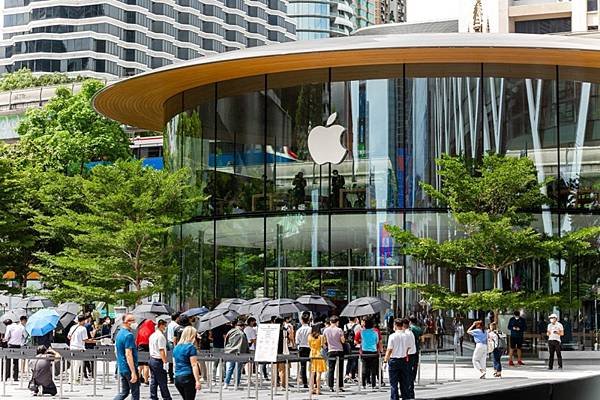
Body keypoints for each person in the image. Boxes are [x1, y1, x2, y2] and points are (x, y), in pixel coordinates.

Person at [384, 318, 412, 400]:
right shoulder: (406, 336)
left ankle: (394, 398)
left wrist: (385, 360)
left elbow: (389, 349)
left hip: (394, 360)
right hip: (403, 360)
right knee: (404, 382)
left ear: (395, 325)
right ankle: (406, 397)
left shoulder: (392, 336)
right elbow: (408, 347)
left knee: (394, 383)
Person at [114, 314, 140, 400]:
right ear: (127, 322)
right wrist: (133, 371)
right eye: (132, 320)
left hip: (122, 366)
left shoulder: (119, 334)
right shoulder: (129, 335)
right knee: (135, 393)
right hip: (129, 367)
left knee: (124, 392)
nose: (135, 322)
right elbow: (128, 354)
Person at [173, 326, 202, 400]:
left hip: (178, 377)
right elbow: (194, 365)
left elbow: (174, 363)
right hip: (188, 376)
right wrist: (197, 381)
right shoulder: (191, 347)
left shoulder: (176, 347)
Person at [149, 319, 171, 400]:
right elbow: (161, 350)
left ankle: (153, 396)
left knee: (154, 380)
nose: (165, 327)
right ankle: (167, 397)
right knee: (162, 381)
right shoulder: (160, 336)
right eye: (165, 325)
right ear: (161, 325)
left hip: (152, 359)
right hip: (158, 360)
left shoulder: (152, 335)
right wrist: (165, 362)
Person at [69, 315, 95, 384]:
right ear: (83, 320)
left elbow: (68, 336)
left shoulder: (73, 327)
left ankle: (70, 379)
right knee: (77, 364)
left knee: (73, 364)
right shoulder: (83, 329)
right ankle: (75, 379)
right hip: (79, 348)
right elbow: (85, 340)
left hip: (72, 347)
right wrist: (93, 341)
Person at [223, 319, 249, 388]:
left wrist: (226, 349)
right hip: (239, 353)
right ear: (242, 326)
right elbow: (245, 345)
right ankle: (236, 384)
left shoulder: (230, 331)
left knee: (229, 368)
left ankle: (226, 383)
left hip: (229, 352)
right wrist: (246, 353)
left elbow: (226, 342)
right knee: (238, 369)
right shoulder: (242, 334)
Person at [323, 315, 345, 392]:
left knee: (331, 369)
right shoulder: (339, 330)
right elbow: (343, 341)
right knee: (340, 369)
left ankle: (331, 386)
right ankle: (340, 386)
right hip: (339, 350)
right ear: (337, 322)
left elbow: (324, 341)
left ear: (330, 322)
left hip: (330, 350)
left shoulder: (326, 330)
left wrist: (327, 346)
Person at [358, 318, 381, 390]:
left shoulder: (362, 332)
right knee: (373, 369)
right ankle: (373, 385)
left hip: (364, 351)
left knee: (364, 368)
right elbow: (377, 341)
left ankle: (363, 384)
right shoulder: (375, 332)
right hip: (373, 351)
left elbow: (359, 340)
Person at [4, 315, 27, 381]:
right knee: (16, 362)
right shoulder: (22, 327)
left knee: (8, 361)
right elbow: (25, 336)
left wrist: (6, 339)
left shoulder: (9, 327)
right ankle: (15, 377)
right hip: (18, 346)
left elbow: (6, 337)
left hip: (10, 345)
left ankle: (6, 376)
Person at [136, 319, 156, 385]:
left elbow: (137, 340)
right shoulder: (152, 331)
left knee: (140, 365)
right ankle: (146, 380)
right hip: (148, 347)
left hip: (140, 347)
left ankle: (138, 379)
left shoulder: (141, 330)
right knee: (146, 365)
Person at [308, 325, 326, 395]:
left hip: (312, 354)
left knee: (312, 373)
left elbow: (309, 345)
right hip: (319, 355)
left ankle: (311, 389)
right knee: (318, 373)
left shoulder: (309, 337)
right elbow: (323, 346)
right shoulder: (321, 337)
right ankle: (318, 389)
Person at [295, 313, 312, 388]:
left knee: (303, 366)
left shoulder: (299, 330)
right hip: (310, 347)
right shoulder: (311, 329)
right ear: (308, 320)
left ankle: (305, 383)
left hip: (301, 347)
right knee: (312, 365)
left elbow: (297, 341)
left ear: (302, 320)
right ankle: (313, 382)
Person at [343, 316, 360, 383]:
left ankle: (347, 374)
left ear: (348, 319)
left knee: (349, 360)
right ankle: (354, 375)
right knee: (355, 360)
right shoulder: (357, 326)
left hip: (348, 345)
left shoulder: (345, 326)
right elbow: (358, 335)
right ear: (355, 319)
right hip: (355, 345)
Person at [408, 317, 423, 384]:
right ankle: (413, 378)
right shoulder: (419, 329)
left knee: (408, 364)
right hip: (416, 348)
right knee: (415, 364)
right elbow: (422, 339)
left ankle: (409, 377)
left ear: (410, 321)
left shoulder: (410, 328)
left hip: (409, 349)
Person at [166, 312, 180, 383]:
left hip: (169, 342)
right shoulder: (176, 326)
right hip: (174, 343)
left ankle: (170, 377)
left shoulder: (169, 324)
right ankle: (174, 377)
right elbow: (175, 337)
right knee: (175, 360)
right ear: (177, 318)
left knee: (170, 361)